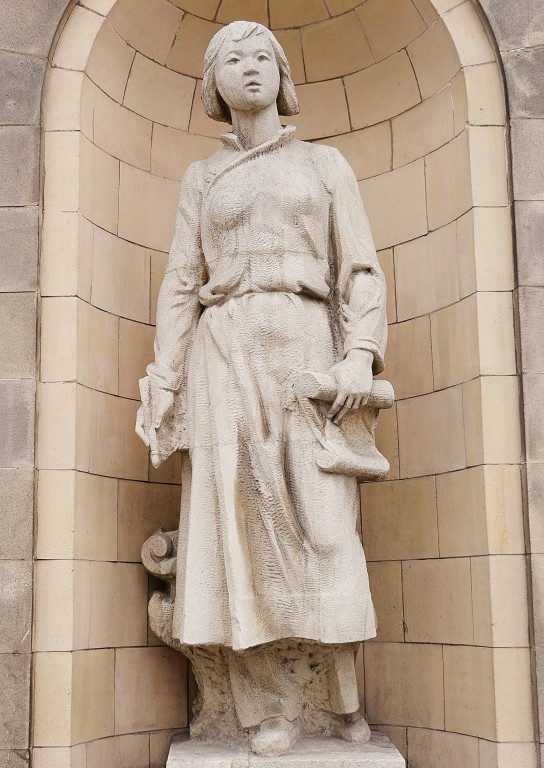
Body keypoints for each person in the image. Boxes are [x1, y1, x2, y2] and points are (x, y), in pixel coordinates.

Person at [136, 20, 388, 757]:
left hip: (307, 346)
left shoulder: (324, 164)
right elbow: (181, 283)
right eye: (233, 59)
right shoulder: (202, 177)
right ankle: (261, 709)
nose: (250, 68)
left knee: (326, 529)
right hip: (224, 356)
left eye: (261, 57)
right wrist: (166, 376)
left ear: (281, 74)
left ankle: (342, 698)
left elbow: (361, 268)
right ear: (212, 84)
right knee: (236, 534)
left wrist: (360, 356)